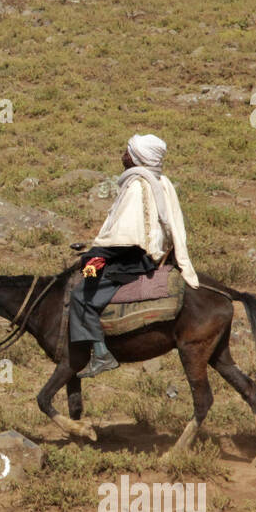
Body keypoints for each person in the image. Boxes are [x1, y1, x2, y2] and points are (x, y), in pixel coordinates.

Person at [71, 133, 200, 378]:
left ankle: (100, 353)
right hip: (146, 254)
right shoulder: (161, 181)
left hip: (131, 260)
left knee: (81, 292)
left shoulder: (138, 186)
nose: (123, 155)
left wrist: (92, 256)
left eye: (127, 152)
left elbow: (125, 237)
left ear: (138, 158)